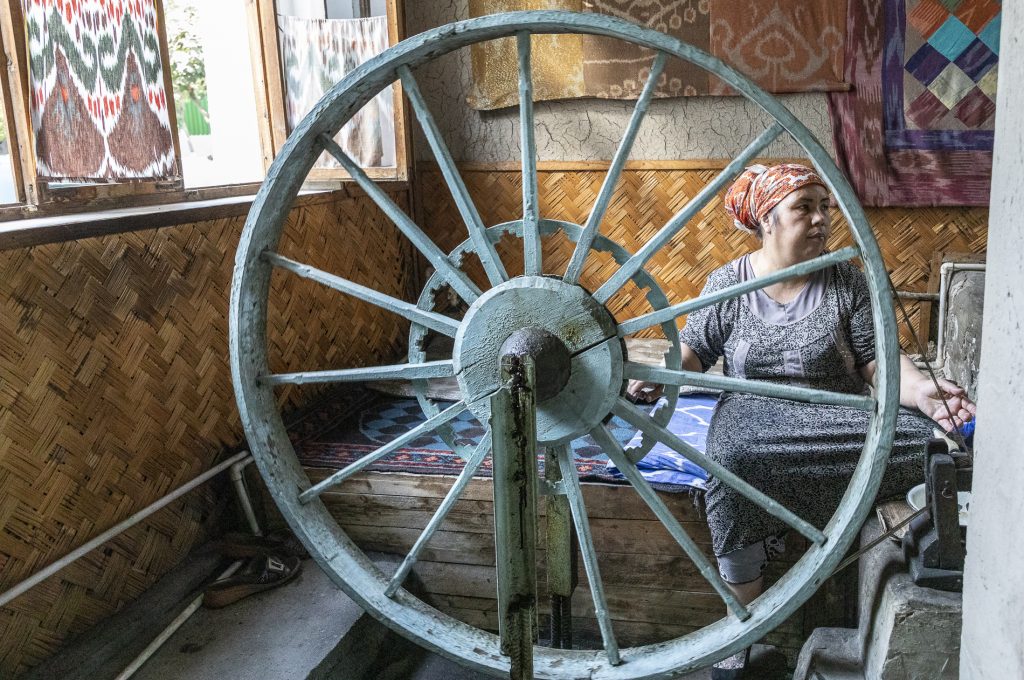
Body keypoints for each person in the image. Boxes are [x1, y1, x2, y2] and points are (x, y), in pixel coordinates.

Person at [625, 163, 976, 678]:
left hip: (838, 420)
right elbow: (694, 352)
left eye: (824, 207)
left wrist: (922, 391)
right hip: (752, 423)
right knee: (730, 462)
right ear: (767, 219)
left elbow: (878, 363)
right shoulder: (728, 283)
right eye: (803, 207)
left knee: (933, 440)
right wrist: (663, 374)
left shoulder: (847, 282)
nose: (819, 219)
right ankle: (739, 625)